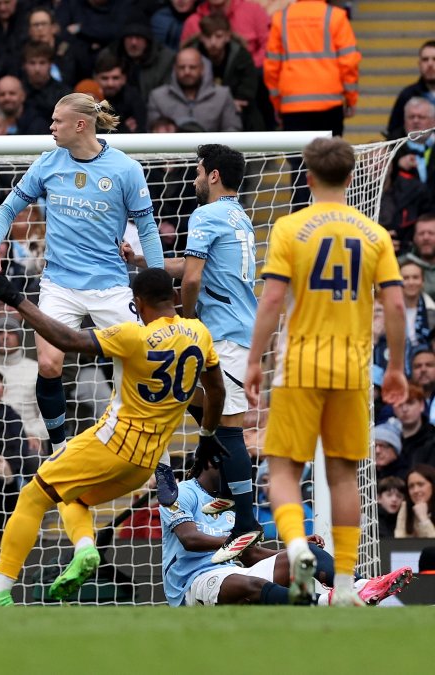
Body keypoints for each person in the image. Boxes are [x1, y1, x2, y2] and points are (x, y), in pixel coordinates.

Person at [0, 268, 225, 606]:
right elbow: (214, 389)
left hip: (110, 443)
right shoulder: (199, 334)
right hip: (146, 462)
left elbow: (69, 340)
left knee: (31, 497)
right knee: (75, 498)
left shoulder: (135, 336)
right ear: (174, 299)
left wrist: (18, 300)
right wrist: (207, 434)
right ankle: (86, 549)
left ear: (138, 303)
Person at [246, 137, 408, 606]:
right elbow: (395, 302)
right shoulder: (374, 234)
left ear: (309, 177)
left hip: (299, 364)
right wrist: (394, 366)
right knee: (341, 476)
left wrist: (255, 359)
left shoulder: (291, 227)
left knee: (283, 470)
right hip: (354, 369)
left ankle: (298, 547)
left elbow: (273, 298)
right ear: (352, 175)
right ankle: (342, 585)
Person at [0, 93, 164, 456]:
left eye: (57, 121)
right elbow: (6, 210)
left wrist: (158, 282)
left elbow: (147, 229)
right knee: (50, 364)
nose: (50, 127)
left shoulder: (125, 169)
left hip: (111, 284)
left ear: (80, 125)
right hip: (59, 283)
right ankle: (59, 449)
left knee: (145, 362)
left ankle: (156, 456)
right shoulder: (48, 163)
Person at [157, 144, 261, 562]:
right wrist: (149, 259)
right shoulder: (240, 216)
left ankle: (246, 520)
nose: (196, 179)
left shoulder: (205, 214)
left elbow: (195, 278)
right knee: (192, 402)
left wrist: (184, 317)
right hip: (236, 331)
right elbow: (196, 265)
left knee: (230, 426)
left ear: (213, 175)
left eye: (200, 172)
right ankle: (229, 495)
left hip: (223, 334)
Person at [160, 454, 413, 606]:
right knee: (250, 583)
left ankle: (361, 586)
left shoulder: (231, 503)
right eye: (233, 464)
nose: (239, 472)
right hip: (192, 585)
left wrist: (296, 547)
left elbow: (249, 554)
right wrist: (234, 539)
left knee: (304, 553)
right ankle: (325, 603)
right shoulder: (182, 492)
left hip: (229, 571)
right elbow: (189, 539)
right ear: (211, 462)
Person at [264, 0, 359, 137]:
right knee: (328, 156)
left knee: (298, 157)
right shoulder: (335, 16)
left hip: (293, 104)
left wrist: (277, 103)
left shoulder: (281, 19)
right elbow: (348, 63)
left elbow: (271, 68)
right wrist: (351, 99)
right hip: (329, 102)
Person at [386, 40, 435, 141]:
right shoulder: (407, 95)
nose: (430, 64)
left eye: (434, 59)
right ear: (419, 64)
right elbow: (393, 133)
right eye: (425, 59)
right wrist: (403, 155)